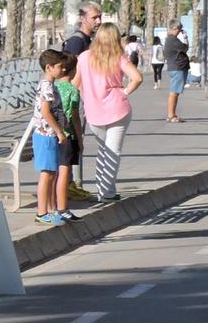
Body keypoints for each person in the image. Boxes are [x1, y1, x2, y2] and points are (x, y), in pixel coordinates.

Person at [78, 22, 142, 204]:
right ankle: (106, 192)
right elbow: (137, 78)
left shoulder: (84, 57)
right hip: (117, 108)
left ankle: (106, 189)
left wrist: (85, 97)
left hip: (93, 111)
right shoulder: (119, 58)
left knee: (103, 150)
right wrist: (125, 91)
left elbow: (76, 83)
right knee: (113, 150)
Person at [33, 49, 70, 224]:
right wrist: (59, 131)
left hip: (46, 134)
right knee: (47, 174)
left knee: (51, 173)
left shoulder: (46, 84)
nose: (63, 70)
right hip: (46, 134)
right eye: (60, 67)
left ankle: (50, 209)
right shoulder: (47, 86)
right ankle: (42, 212)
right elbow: (46, 112)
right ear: (49, 67)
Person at [54, 51, 84, 211]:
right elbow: (75, 118)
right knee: (65, 174)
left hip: (53, 135)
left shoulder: (54, 87)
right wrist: (80, 139)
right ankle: (62, 207)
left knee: (54, 172)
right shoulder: (73, 91)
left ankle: (53, 205)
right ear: (72, 70)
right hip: (67, 135)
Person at [162, 22, 191, 122]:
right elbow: (185, 48)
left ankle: (172, 114)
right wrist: (186, 38)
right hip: (177, 67)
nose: (179, 31)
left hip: (176, 67)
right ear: (174, 28)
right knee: (174, 92)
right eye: (179, 29)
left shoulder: (170, 40)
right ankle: (171, 115)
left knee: (175, 92)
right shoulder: (172, 40)